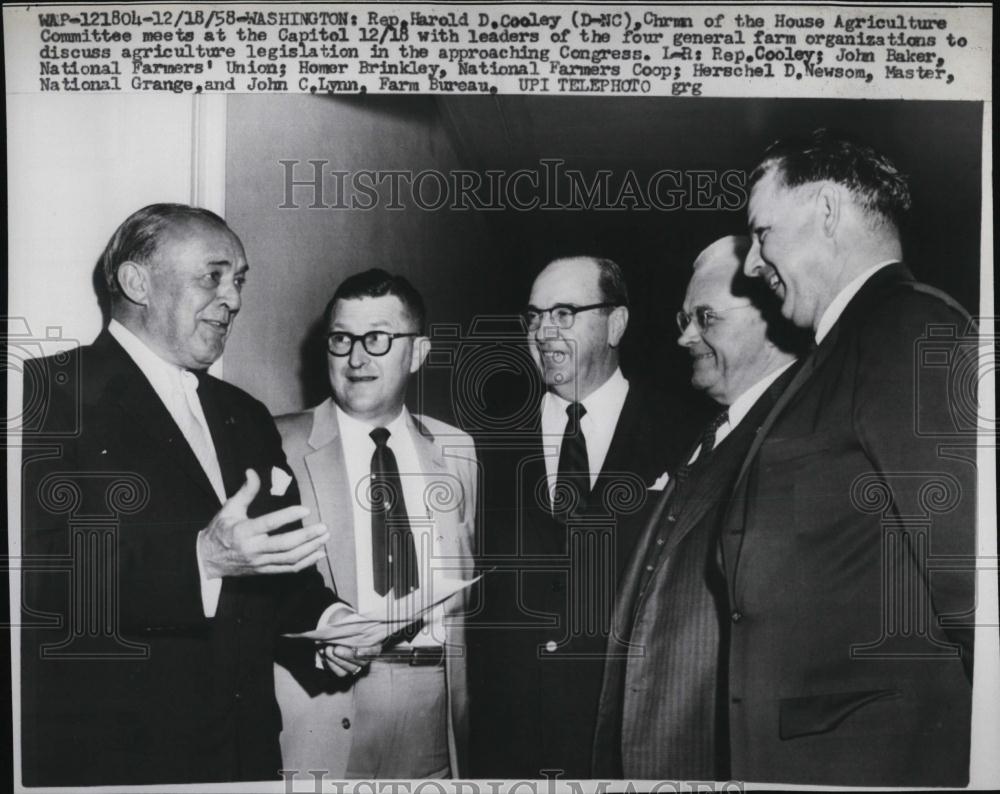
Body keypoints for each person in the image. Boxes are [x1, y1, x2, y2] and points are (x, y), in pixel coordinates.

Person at [19, 204, 337, 785]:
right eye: (212, 276)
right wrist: (200, 558)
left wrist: (329, 625)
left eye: (238, 279)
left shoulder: (246, 414)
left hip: (248, 758)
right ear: (136, 282)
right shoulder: (44, 396)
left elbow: (273, 574)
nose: (233, 298)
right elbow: (38, 577)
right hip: (121, 765)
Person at [731, 129, 977, 786]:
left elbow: (974, 586)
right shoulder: (845, 347)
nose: (751, 264)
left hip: (875, 764)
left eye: (763, 233)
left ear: (829, 213)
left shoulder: (908, 326)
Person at [469, 256, 694, 779]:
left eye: (564, 313)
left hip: (625, 744)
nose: (543, 331)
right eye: (534, 316)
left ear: (616, 323)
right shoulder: (483, 441)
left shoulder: (685, 436)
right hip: (509, 750)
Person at [592, 235, 804, 780]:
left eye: (705, 317)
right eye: (684, 318)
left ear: (772, 317)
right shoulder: (710, 432)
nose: (685, 335)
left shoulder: (799, 438)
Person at [273, 269, 476, 779]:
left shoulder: (457, 451)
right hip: (320, 705)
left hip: (431, 706)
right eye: (342, 338)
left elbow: (465, 585)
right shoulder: (277, 443)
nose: (356, 357)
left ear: (419, 352)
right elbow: (253, 596)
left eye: (378, 338)